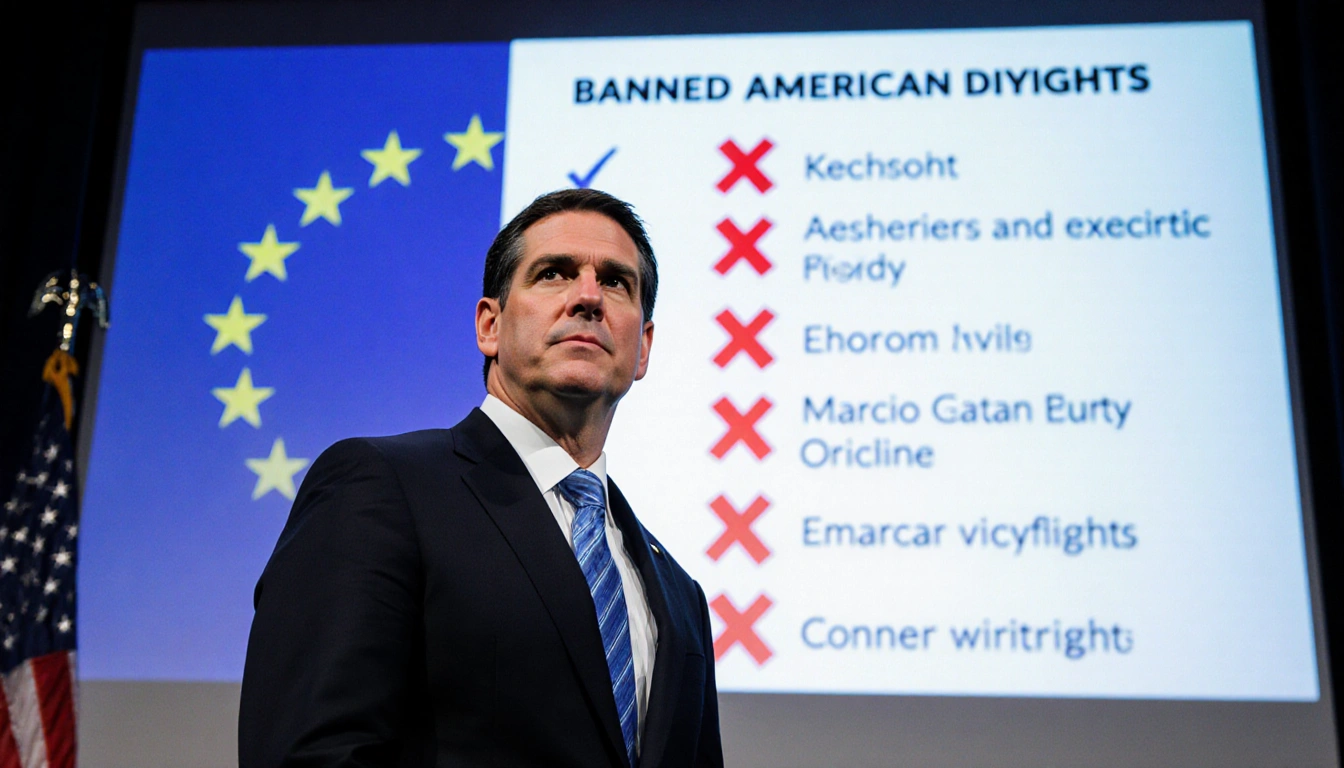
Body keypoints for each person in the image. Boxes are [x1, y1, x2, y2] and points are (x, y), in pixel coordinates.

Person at [238, 189, 724, 768]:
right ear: (489, 325)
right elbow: (312, 753)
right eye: (553, 274)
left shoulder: (680, 595)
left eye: (617, 283)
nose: (588, 297)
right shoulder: (381, 488)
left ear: (641, 347)